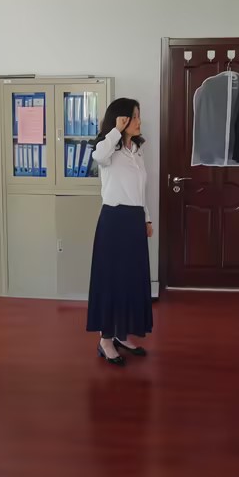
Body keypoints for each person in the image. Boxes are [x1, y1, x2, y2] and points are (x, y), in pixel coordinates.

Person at [87, 98, 154, 364]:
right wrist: (115, 130)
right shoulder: (108, 149)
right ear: (122, 119)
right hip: (114, 221)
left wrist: (147, 218)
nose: (139, 121)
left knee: (131, 280)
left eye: (138, 116)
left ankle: (121, 334)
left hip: (134, 220)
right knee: (112, 281)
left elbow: (141, 190)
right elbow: (98, 156)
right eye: (134, 116)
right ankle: (105, 340)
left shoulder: (136, 150)